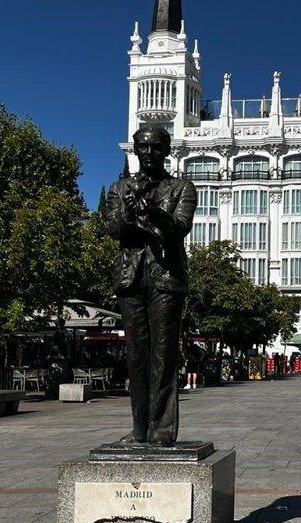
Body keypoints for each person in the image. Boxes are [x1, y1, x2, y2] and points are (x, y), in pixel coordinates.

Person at [106, 126, 197, 446]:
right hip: (131, 278)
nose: (148, 153)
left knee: (163, 355)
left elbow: (179, 227)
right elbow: (115, 228)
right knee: (136, 357)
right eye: (142, 147)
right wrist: (137, 217)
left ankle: (161, 430)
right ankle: (139, 428)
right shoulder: (119, 189)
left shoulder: (182, 188)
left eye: (156, 147)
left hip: (166, 278)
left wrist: (153, 213)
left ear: (167, 151)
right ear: (135, 150)